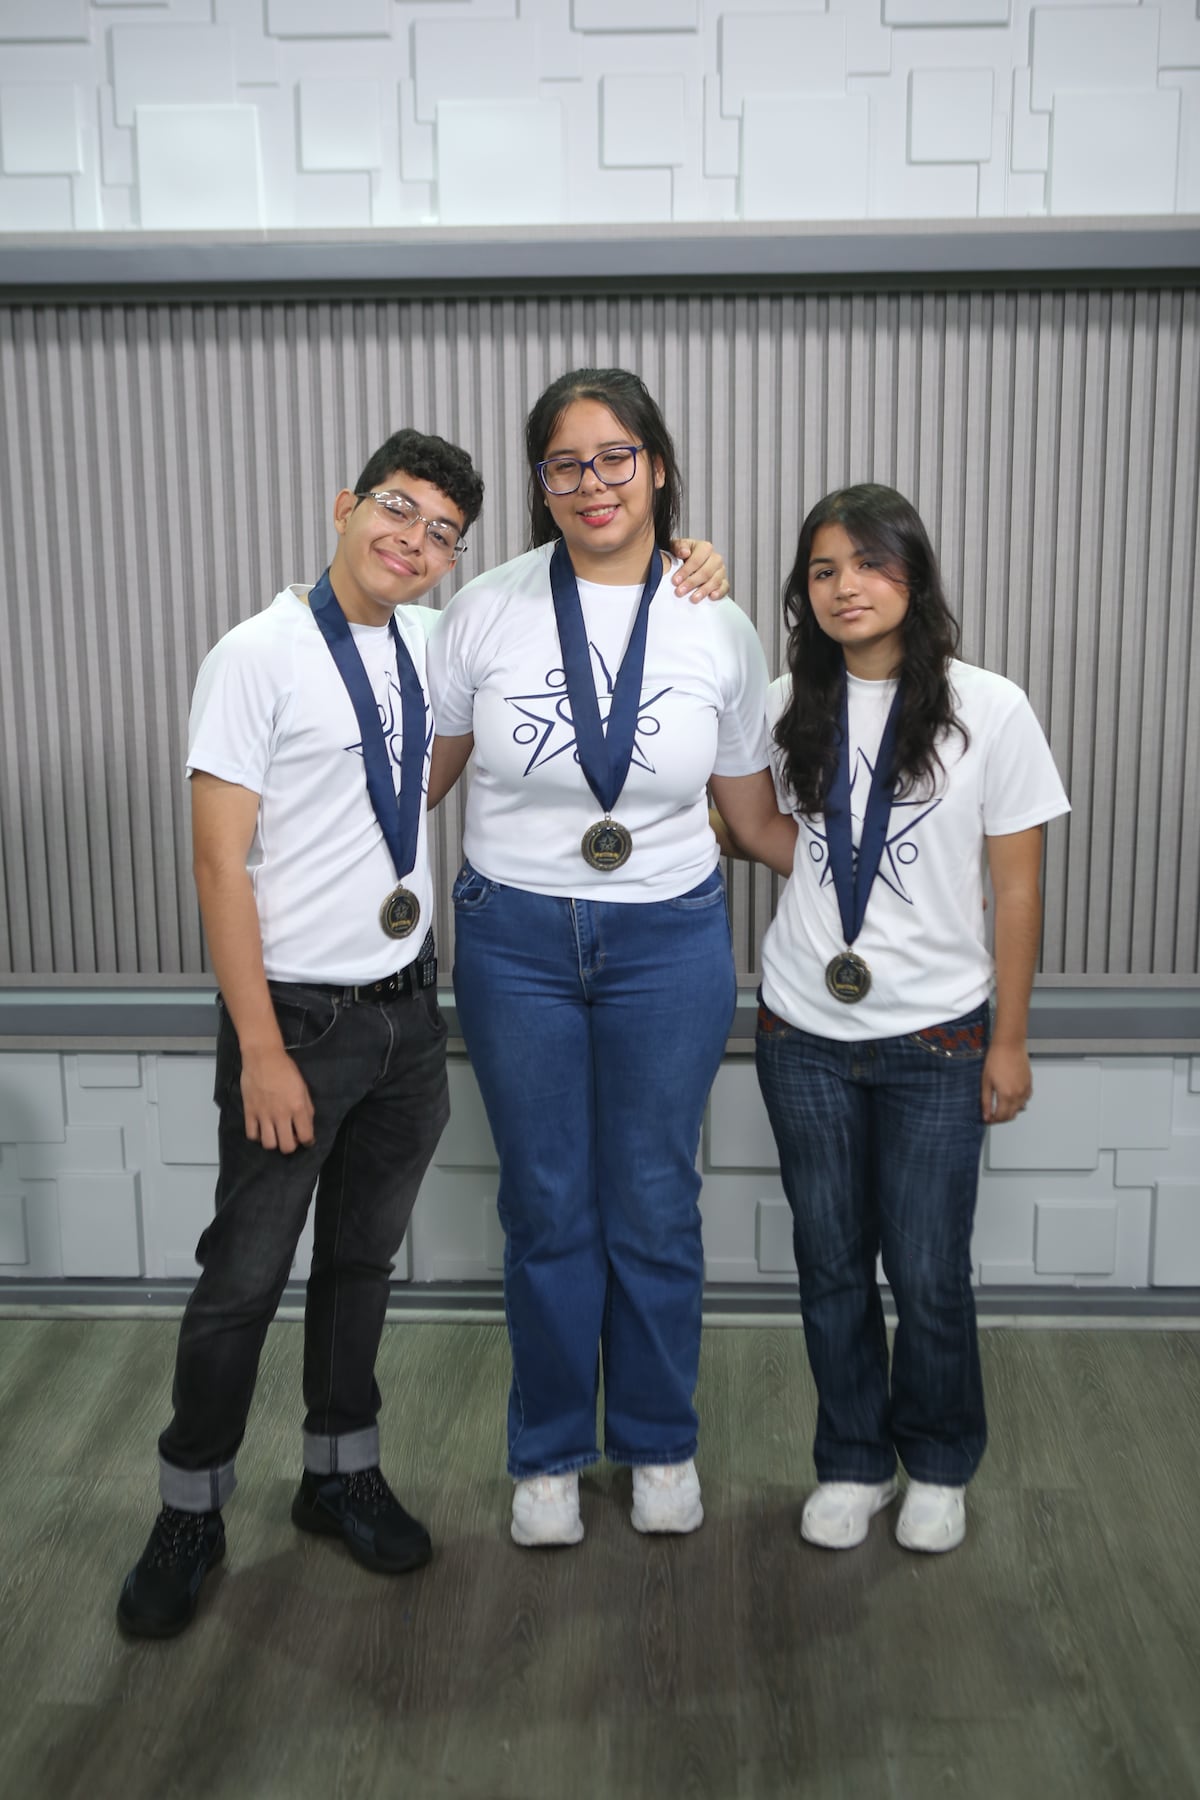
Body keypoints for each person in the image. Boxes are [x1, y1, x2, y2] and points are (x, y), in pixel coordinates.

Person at [115, 424, 727, 1639]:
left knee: (361, 1265)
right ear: (346, 504)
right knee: (241, 1278)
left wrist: (688, 562)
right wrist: (266, 1049)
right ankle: (189, 1511)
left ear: (457, 558)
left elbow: (510, 710)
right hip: (294, 1015)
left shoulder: (435, 642)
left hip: (405, 1003)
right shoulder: (257, 654)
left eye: (443, 531)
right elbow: (217, 867)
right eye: (396, 511)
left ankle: (338, 1475)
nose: (415, 540)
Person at [426, 368, 797, 1549]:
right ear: (539, 484)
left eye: (615, 456)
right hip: (515, 936)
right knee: (543, 1205)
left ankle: (658, 1441)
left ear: (659, 466)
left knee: (652, 1200)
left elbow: (748, 814)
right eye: (565, 464)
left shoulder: (713, 619)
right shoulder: (481, 608)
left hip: (668, 937)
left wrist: (896, 886)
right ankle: (544, 1454)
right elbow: (414, 781)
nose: (593, 483)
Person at [750, 483, 1069, 1555]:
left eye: (871, 564)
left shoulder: (991, 707)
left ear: (914, 576)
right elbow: (757, 825)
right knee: (831, 1257)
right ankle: (851, 1459)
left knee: (928, 1265)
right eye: (825, 570)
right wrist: (835, 876)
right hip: (803, 1030)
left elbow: (1016, 889)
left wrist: (1010, 1040)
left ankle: (936, 1460)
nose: (847, 587)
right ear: (804, 592)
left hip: (939, 1034)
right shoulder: (781, 701)